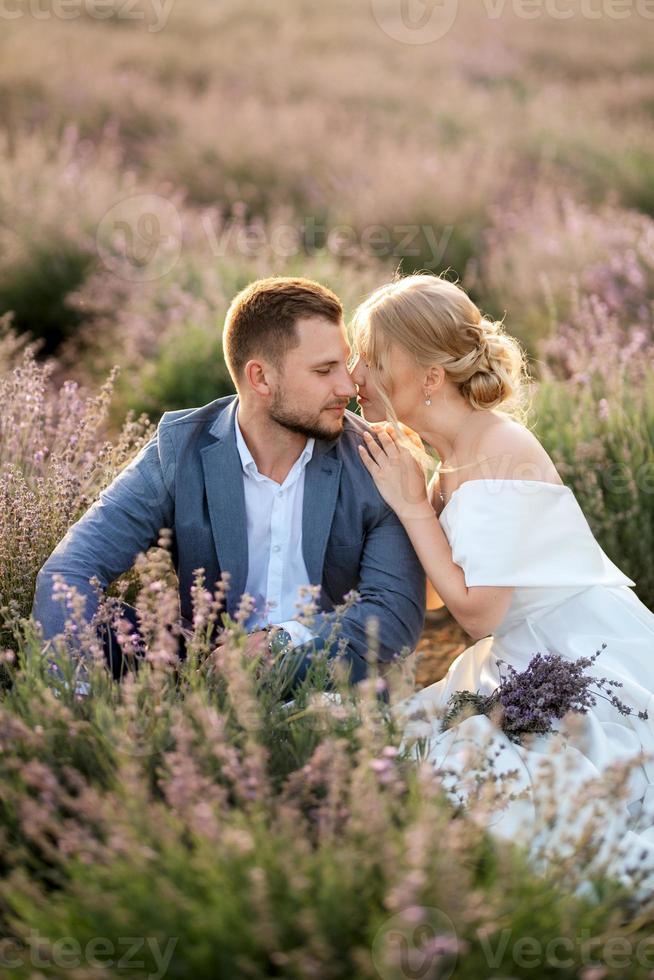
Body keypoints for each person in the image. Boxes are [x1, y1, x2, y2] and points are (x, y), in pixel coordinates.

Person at [350, 272, 654, 873]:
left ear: (430, 377)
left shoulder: (497, 448)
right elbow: (439, 601)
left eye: (372, 359)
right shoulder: (453, 460)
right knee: (410, 752)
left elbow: (478, 611)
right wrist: (416, 502)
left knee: (536, 786)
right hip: (524, 654)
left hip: (581, 649)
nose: (356, 375)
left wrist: (414, 507)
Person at [31, 276, 426, 695]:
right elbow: (69, 570)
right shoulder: (180, 449)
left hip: (327, 681)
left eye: (343, 365)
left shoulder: (376, 460)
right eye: (324, 370)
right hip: (203, 673)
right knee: (92, 612)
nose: (347, 386)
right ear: (260, 378)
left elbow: (393, 615)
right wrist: (73, 700)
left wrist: (281, 641)